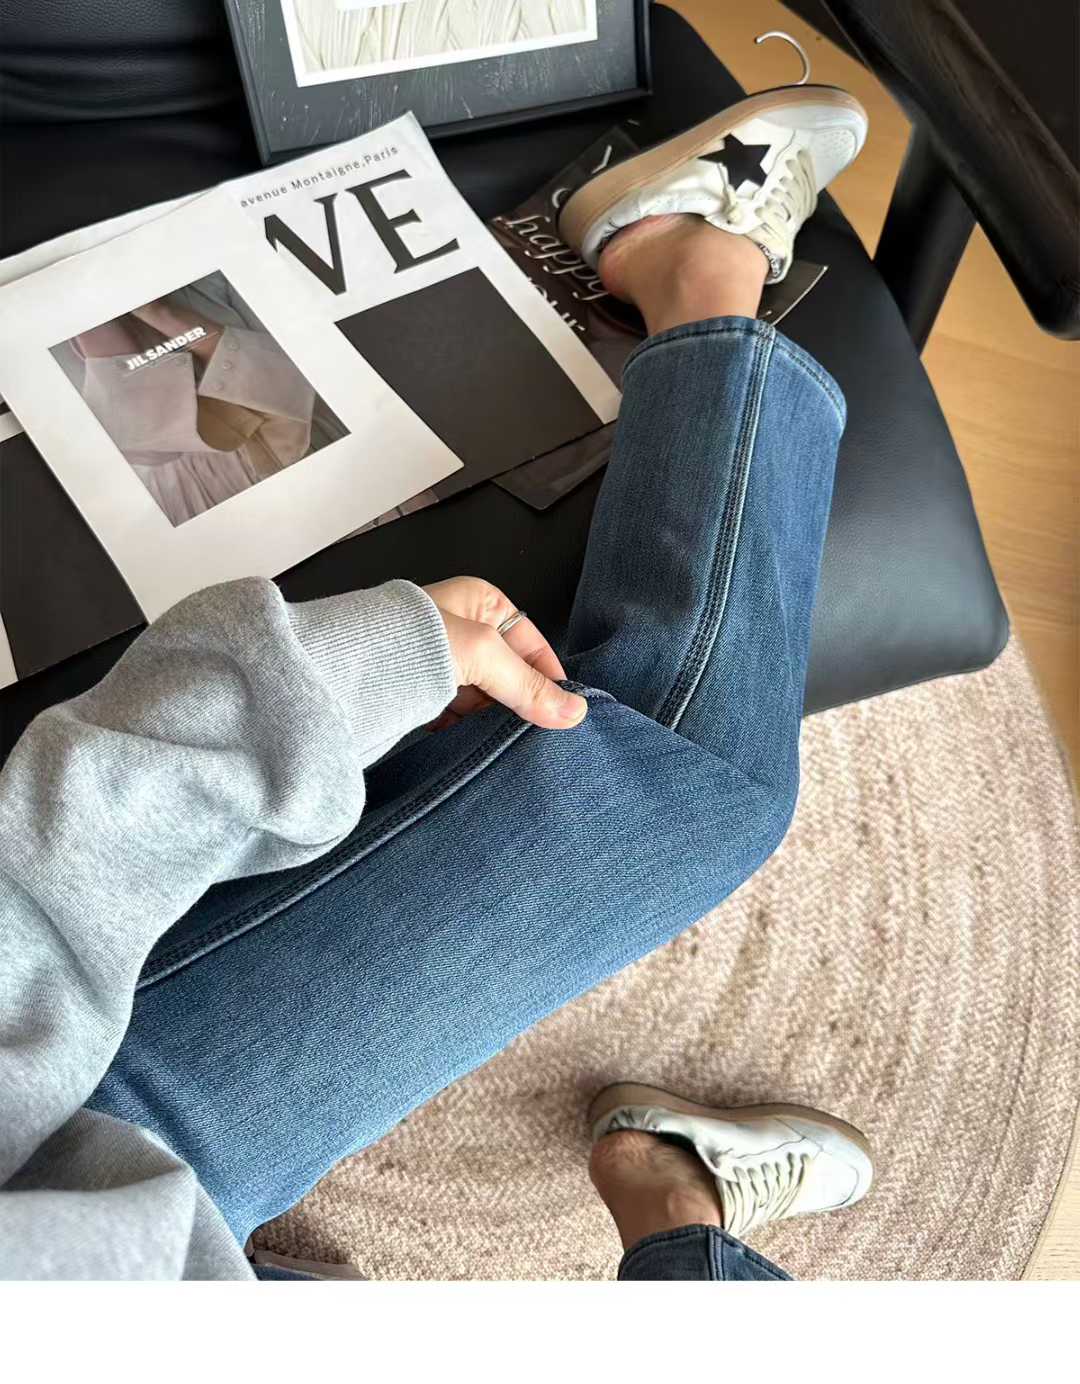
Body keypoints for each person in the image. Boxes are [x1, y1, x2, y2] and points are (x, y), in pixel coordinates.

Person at [0, 71, 874, 1280]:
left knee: (689, 763)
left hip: (85, 1158)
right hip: (158, 1263)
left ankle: (684, 258)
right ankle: (676, 1211)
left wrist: (347, 672)